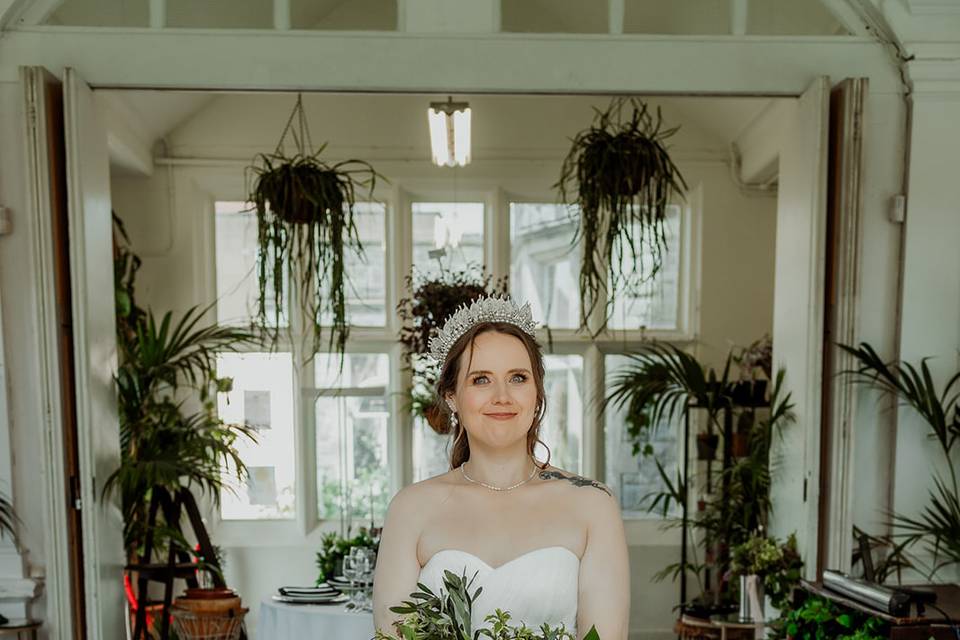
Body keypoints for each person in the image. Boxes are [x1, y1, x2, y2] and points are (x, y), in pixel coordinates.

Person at [372, 296, 630, 640]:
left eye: (518, 378)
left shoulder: (593, 504)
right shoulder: (410, 508)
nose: (502, 396)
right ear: (451, 396)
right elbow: (392, 634)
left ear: (537, 393)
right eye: (481, 379)